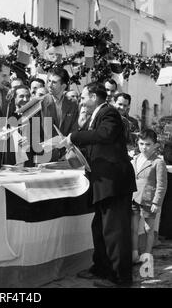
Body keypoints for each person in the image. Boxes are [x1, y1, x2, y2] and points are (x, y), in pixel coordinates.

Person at [62, 82, 137, 287]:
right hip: (103, 183)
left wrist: (74, 137)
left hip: (114, 183)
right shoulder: (96, 116)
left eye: (84, 97)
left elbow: (104, 135)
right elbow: (96, 145)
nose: (82, 101)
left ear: (94, 96)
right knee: (100, 229)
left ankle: (120, 278)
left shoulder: (109, 113)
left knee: (115, 232)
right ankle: (102, 268)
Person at [131, 129, 167, 264]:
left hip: (149, 200)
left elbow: (162, 185)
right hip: (134, 198)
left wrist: (156, 203)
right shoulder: (135, 159)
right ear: (137, 143)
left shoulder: (158, 162)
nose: (144, 147)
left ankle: (147, 254)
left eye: (148, 144)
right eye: (141, 144)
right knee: (133, 228)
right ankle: (134, 254)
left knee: (148, 229)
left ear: (155, 145)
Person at [39, 67, 79, 162]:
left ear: (64, 86)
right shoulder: (40, 102)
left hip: (66, 155)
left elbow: (74, 129)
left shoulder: (73, 104)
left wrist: (68, 148)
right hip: (44, 155)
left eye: (54, 82)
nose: (49, 85)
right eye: (48, 81)